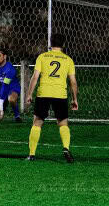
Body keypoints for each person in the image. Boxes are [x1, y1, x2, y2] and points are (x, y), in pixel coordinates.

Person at [24, 34, 77, 163]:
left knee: (37, 123)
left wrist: (29, 94)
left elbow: (35, 77)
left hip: (44, 93)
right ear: (63, 45)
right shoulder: (68, 59)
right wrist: (75, 99)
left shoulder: (42, 57)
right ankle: (65, 147)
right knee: (63, 123)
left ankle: (31, 154)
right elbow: (73, 81)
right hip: (60, 94)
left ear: (50, 43)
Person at [0, 47, 22, 122]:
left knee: (11, 100)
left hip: (12, 87)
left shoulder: (10, 69)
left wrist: (0, 103)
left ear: (5, 56)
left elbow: (6, 85)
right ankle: (2, 106)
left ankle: (17, 116)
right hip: (1, 88)